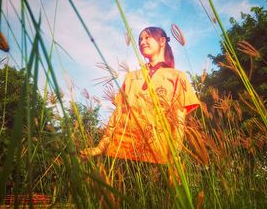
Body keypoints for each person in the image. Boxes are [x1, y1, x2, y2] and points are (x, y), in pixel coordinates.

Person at [80, 26, 200, 164]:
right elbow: (117, 115)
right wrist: (100, 148)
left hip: (157, 157)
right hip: (119, 152)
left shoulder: (178, 77)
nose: (142, 42)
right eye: (140, 39)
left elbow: (179, 121)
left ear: (162, 41)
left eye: (147, 37)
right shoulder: (131, 77)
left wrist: (174, 156)